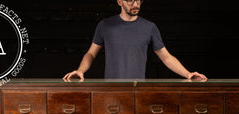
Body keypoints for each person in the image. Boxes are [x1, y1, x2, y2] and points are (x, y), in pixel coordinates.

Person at [63, 0, 207, 81]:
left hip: (138, 90)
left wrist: (188, 74)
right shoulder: (105, 25)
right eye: (131, 1)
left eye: (138, 1)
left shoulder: (149, 27)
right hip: (110, 91)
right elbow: (91, 54)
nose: (136, 4)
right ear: (120, 2)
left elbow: (166, 57)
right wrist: (80, 71)